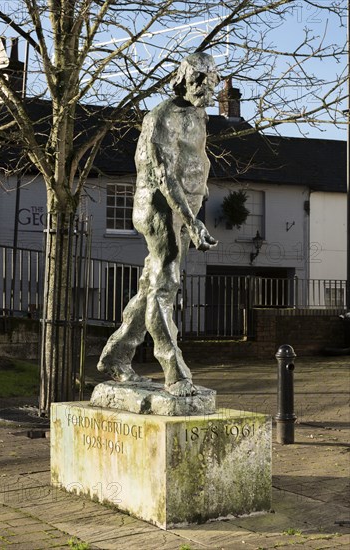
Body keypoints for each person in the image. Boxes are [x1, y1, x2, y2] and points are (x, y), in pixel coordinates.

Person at [97, 53, 219, 397]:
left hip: (182, 210)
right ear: (182, 79)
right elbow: (164, 175)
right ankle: (174, 371)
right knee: (166, 286)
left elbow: (194, 158)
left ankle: (116, 356)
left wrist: (201, 190)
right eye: (198, 81)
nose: (205, 89)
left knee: (152, 286)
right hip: (159, 209)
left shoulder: (198, 114)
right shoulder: (161, 117)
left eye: (210, 82)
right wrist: (193, 222)